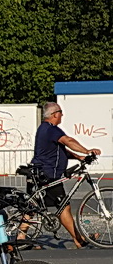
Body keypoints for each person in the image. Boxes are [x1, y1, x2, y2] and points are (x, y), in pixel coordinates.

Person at [33, 101, 101, 248]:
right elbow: (67, 141)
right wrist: (87, 151)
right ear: (54, 114)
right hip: (48, 174)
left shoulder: (45, 129)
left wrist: (78, 157)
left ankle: (19, 239)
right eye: (60, 112)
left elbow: (60, 148)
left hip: (41, 172)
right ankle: (79, 239)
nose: (62, 115)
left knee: (33, 206)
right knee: (63, 206)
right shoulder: (51, 129)